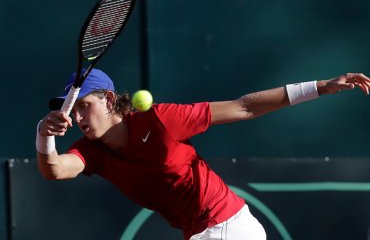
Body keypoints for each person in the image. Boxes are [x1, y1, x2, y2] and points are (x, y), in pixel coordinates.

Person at [36, 69, 370, 240]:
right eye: (71, 110)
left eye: (84, 106)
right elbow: (55, 170)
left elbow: (244, 107)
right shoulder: (91, 152)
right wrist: (44, 135)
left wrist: (319, 87)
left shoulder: (161, 119)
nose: (77, 118)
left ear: (109, 101)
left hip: (225, 228)